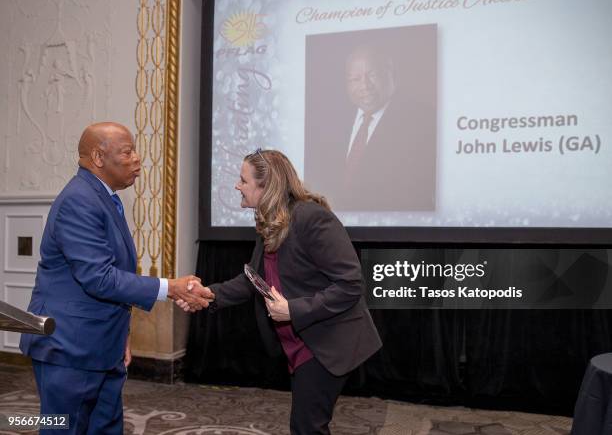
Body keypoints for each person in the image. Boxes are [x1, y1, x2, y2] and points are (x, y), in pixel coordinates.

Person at [19, 122, 214, 435]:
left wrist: (121, 335)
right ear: (98, 157)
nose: (138, 159)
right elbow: (99, 278)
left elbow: (114, 275)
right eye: (128, 151)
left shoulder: (106, 198)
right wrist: (171, 287)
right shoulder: (78, 201)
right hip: (70, 350)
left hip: (101, 347)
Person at [178, 149, 382, 435]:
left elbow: (350, 284)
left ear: (266, 186)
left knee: (307, 427)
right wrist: (208, 294)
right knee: (306, 426)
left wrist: (293, 310)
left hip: (327, 343)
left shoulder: (311, 218)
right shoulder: (271, 220)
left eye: (243, 180)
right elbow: (253, 279)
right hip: (300, 343)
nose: (237, 186)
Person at [304, 43, 436, 211]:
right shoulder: (331, 122)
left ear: (391, 75)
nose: (364, 86)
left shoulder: (421, 119)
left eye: (372, 75)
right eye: (355, 79)